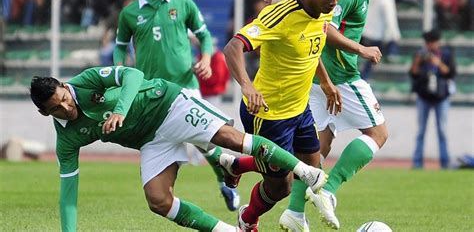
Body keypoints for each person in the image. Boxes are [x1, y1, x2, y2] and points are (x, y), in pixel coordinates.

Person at [29, 66, 328, 232]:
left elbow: (133, 75)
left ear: (64, 87)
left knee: (233, 139)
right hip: (151, 140)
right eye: (57, 108)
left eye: (64, 97)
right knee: (157, 200)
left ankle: (306, 171)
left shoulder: (85, 81)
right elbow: (68, 192)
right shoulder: (66, 140)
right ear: (46, 113)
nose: (67, 106)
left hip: (170, 105)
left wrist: (121, 109)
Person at [255, 0, 387, 229]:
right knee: (378, 134)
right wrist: (361, 49)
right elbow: (325, 28)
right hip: (341, 77)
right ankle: (328, 189)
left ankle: (294, 212)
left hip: (316, 75)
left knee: (316, 150)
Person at [222, 0, 343, 231]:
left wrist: (324, 80)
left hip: (299, 109)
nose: (334, 2)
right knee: (282, 186)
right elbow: (233, 47)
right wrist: (246, 85)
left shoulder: (324, 6)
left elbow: (314, 44)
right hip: (268, 114)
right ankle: (247, 218)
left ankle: (236, 165)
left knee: (312, 166)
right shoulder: (279, 17)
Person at [112, 0, 240, 211]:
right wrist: (119, 71)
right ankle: (166, 194)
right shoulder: (129, 13)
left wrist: (204, 59)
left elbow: (204, 36)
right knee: (167, 143)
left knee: (208, 139)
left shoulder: (183, 4)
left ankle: (226, 183)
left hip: (186, 87)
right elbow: (120, 46)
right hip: (150, 93)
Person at [409, 29, 456, 169]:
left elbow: (451, 73)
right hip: (424, 96)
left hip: (441, 97)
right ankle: (417, 163)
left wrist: (438, 63)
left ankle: (445, 162)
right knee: (421, 131)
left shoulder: (446, 54)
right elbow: (413, 74)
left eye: (432, 42)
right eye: (428, 42)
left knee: (442, 130)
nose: (430, 45)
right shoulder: (420, 54)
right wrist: (418, 62)